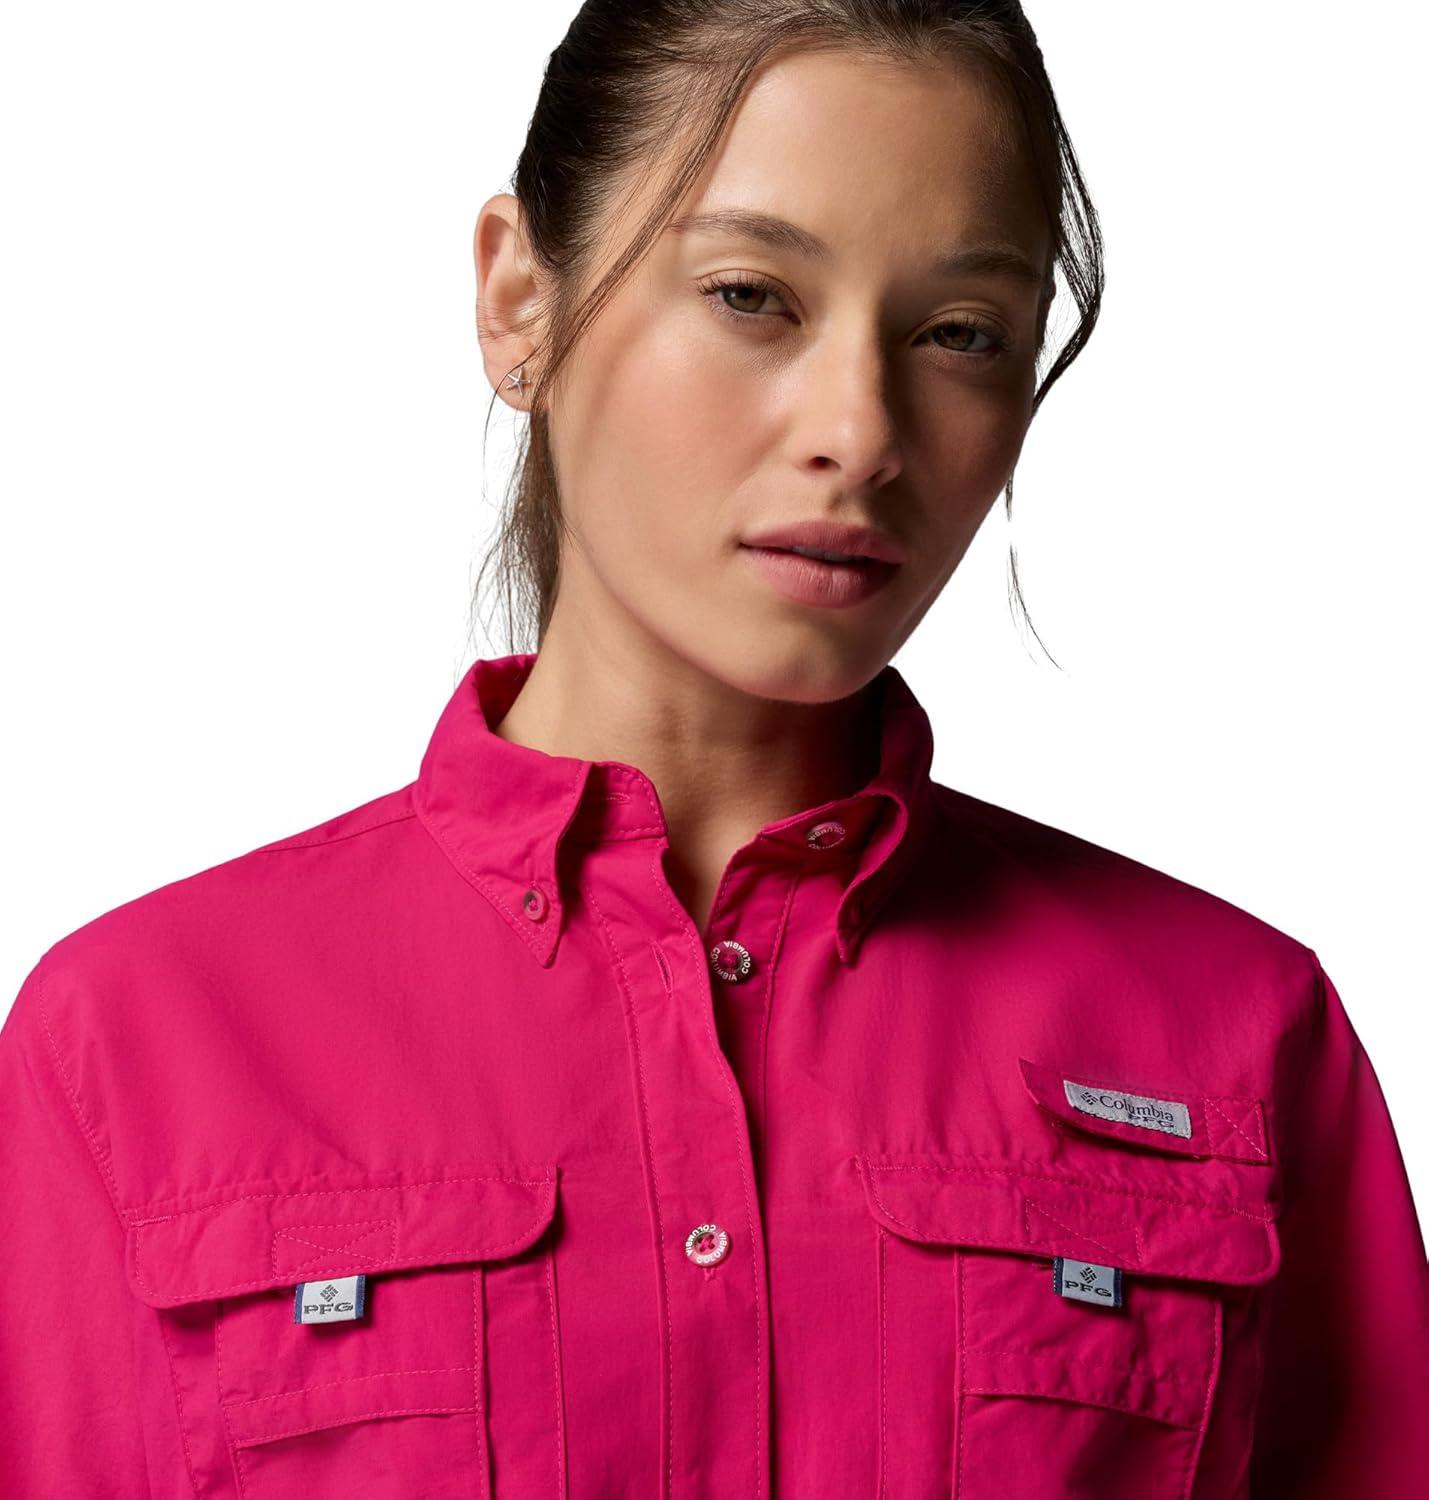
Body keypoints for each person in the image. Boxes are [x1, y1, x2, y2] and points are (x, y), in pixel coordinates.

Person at [3, 1, 1425, 1495]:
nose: (860, 432)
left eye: (959, 332)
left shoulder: (1236, 1033)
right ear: (518, 302)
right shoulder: (136, 1044)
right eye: (752, 295)